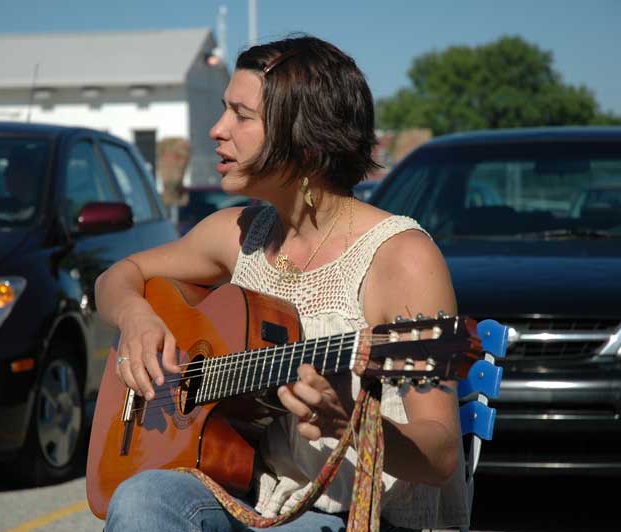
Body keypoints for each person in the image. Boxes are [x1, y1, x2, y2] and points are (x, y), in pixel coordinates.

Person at [95, 35, 468, 531]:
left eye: (241, 116)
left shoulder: (402, 258)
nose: (216, 129)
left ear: (305, 140)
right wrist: (136, 318)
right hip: (257, 502)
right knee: (143, 497)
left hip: (358, 516)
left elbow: (440, 454)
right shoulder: (240, 232)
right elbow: (117, 276)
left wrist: (350, 427)